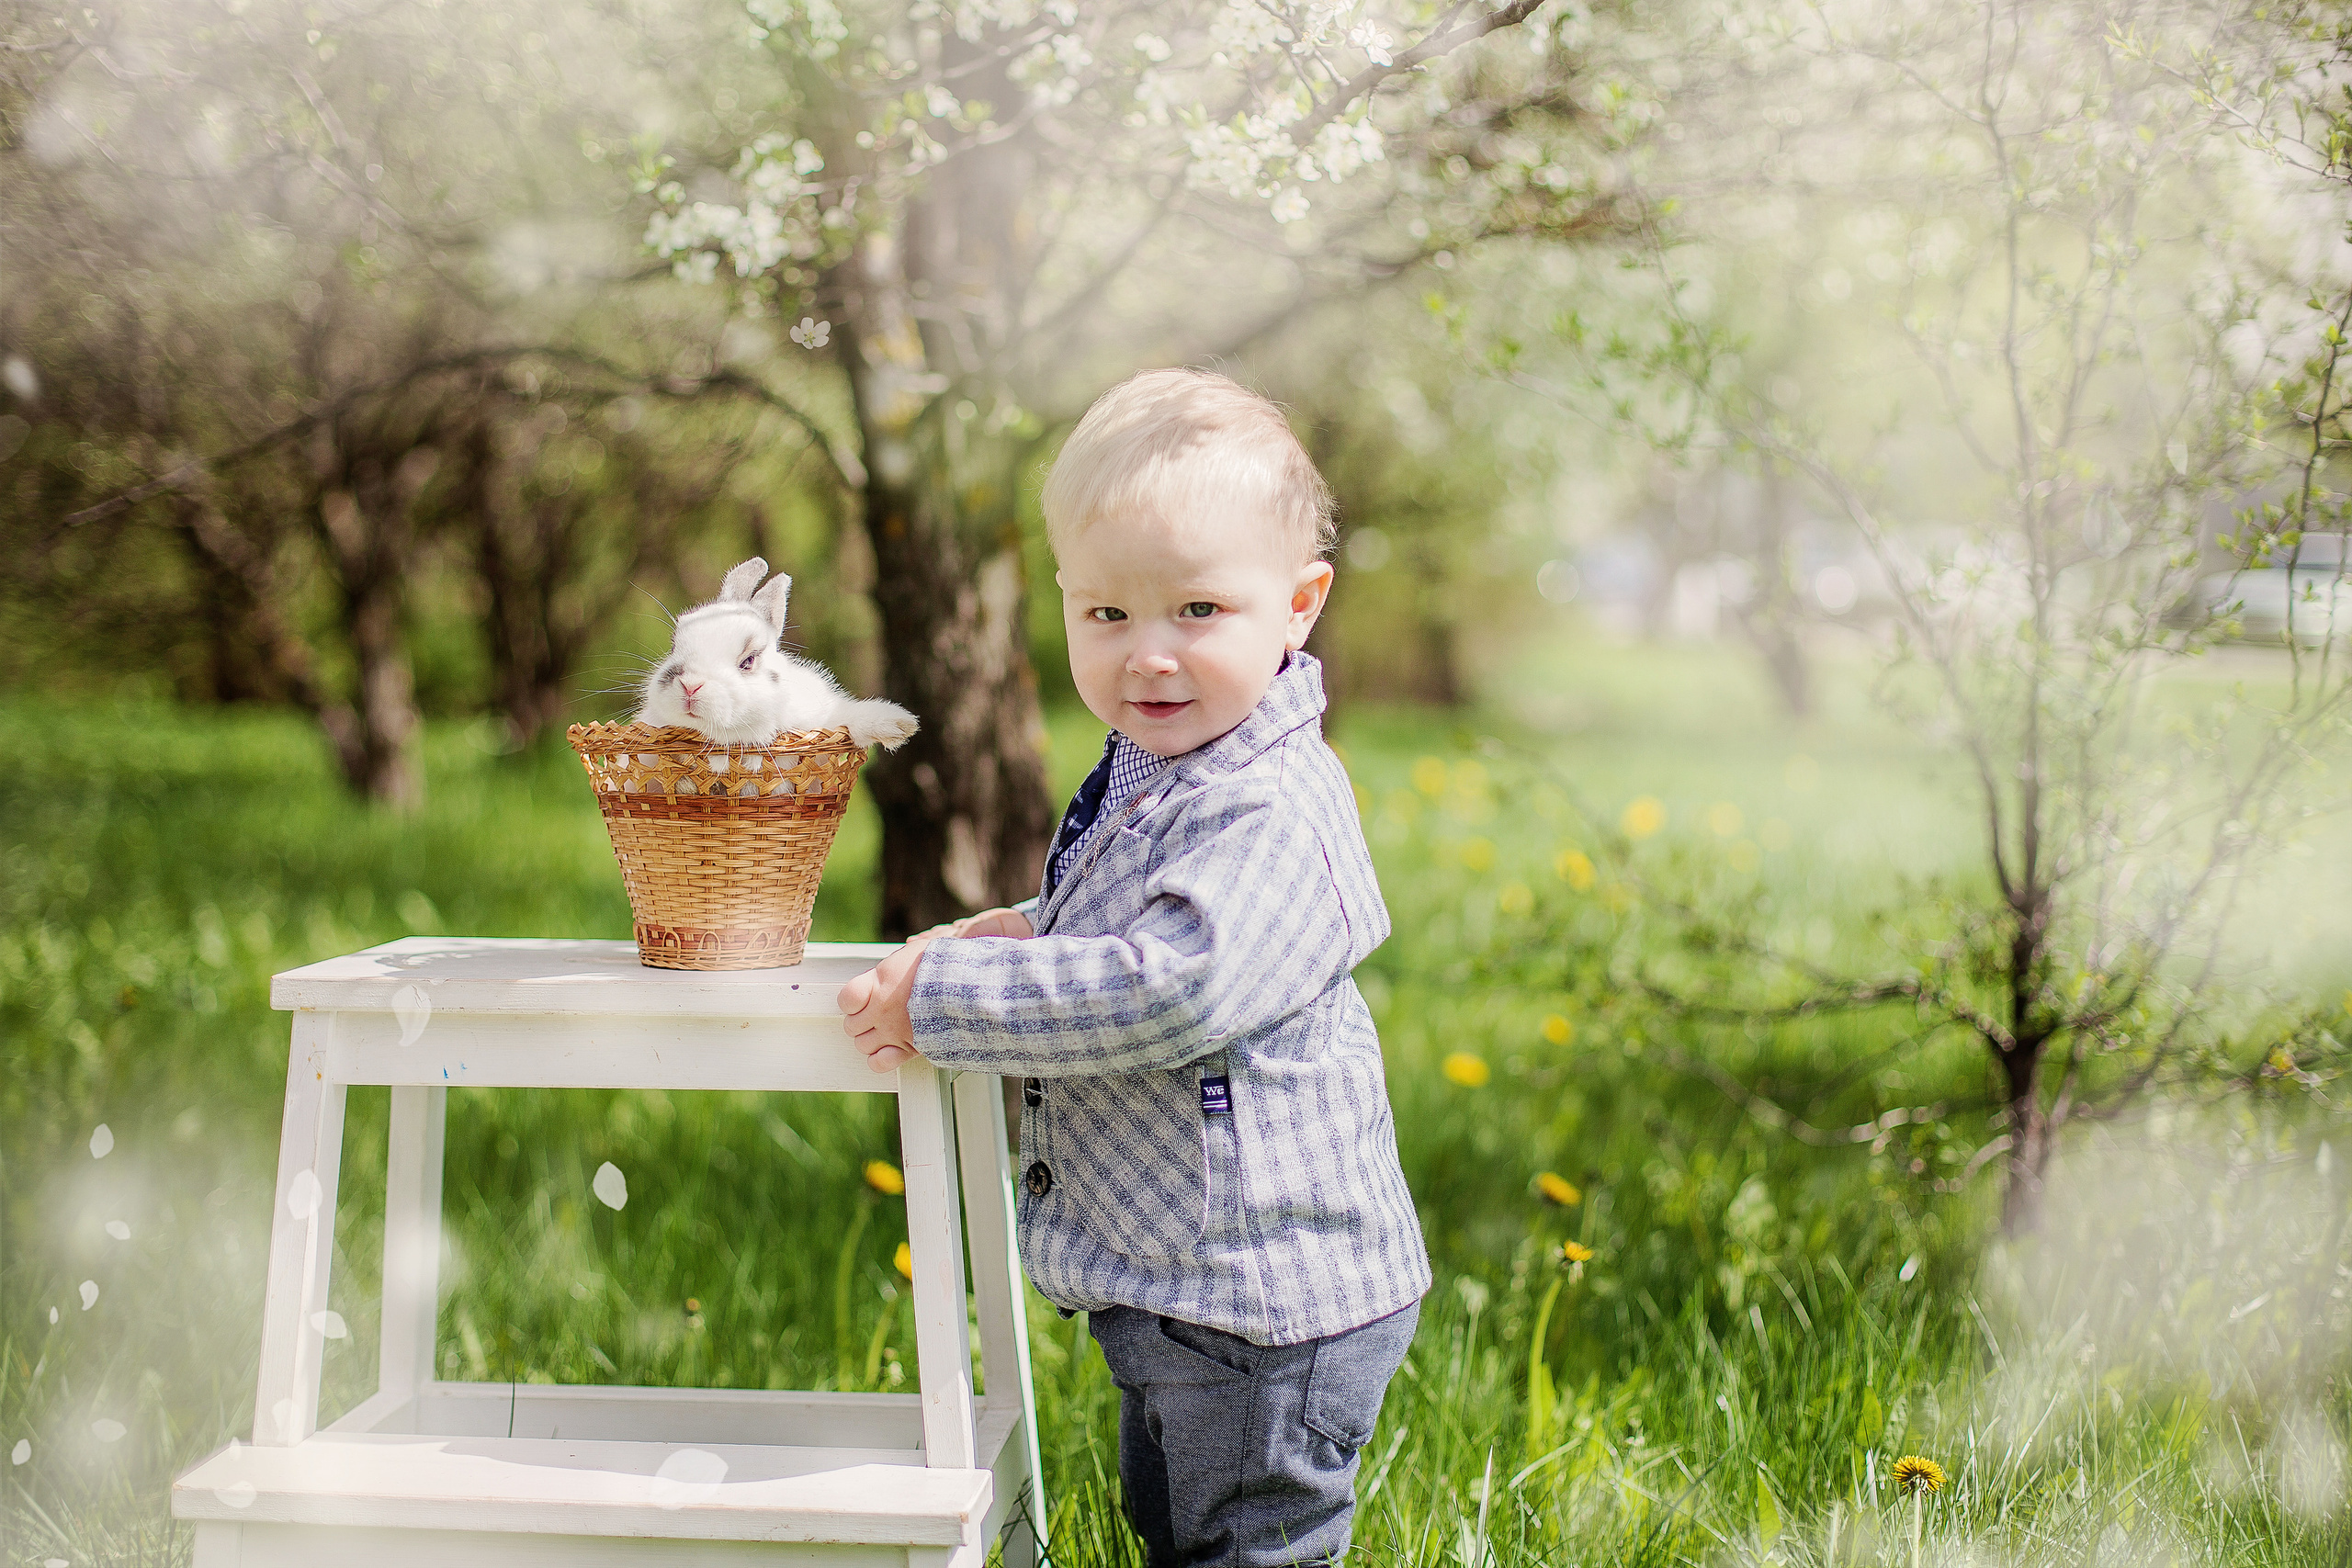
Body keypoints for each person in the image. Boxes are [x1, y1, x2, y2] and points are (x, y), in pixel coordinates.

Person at [837, 367, 1430, 1567]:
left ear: (1300, 604)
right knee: (1176, 1529)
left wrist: (952, 1002)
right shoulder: (1163, 760)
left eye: (1198, 612)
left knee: (1246, 1548)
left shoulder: (1269, 802)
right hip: (1181, 1285)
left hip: (1267, 1306)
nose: (1147, 656)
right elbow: (1122, 921)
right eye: (1106, 616)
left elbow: (1172, 985)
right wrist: (1026, 933)